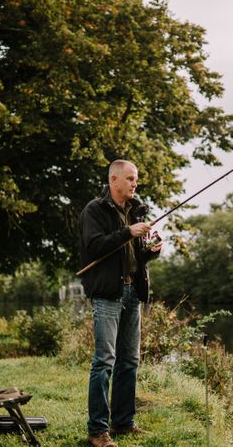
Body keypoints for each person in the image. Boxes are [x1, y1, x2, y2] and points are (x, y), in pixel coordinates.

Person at [79, 160, 163, 447]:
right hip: (108, 295)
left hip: (132, 292)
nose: (134, 184)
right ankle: (97, 431)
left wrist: (151, 251)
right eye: (129, 179)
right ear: (114, 180)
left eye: (135, 179)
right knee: (104, 362)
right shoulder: (95, 210)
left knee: (129, 361)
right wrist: (128, 232)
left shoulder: (136, 209)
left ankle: (124, 423)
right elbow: (95, 247)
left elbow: (136, 253)